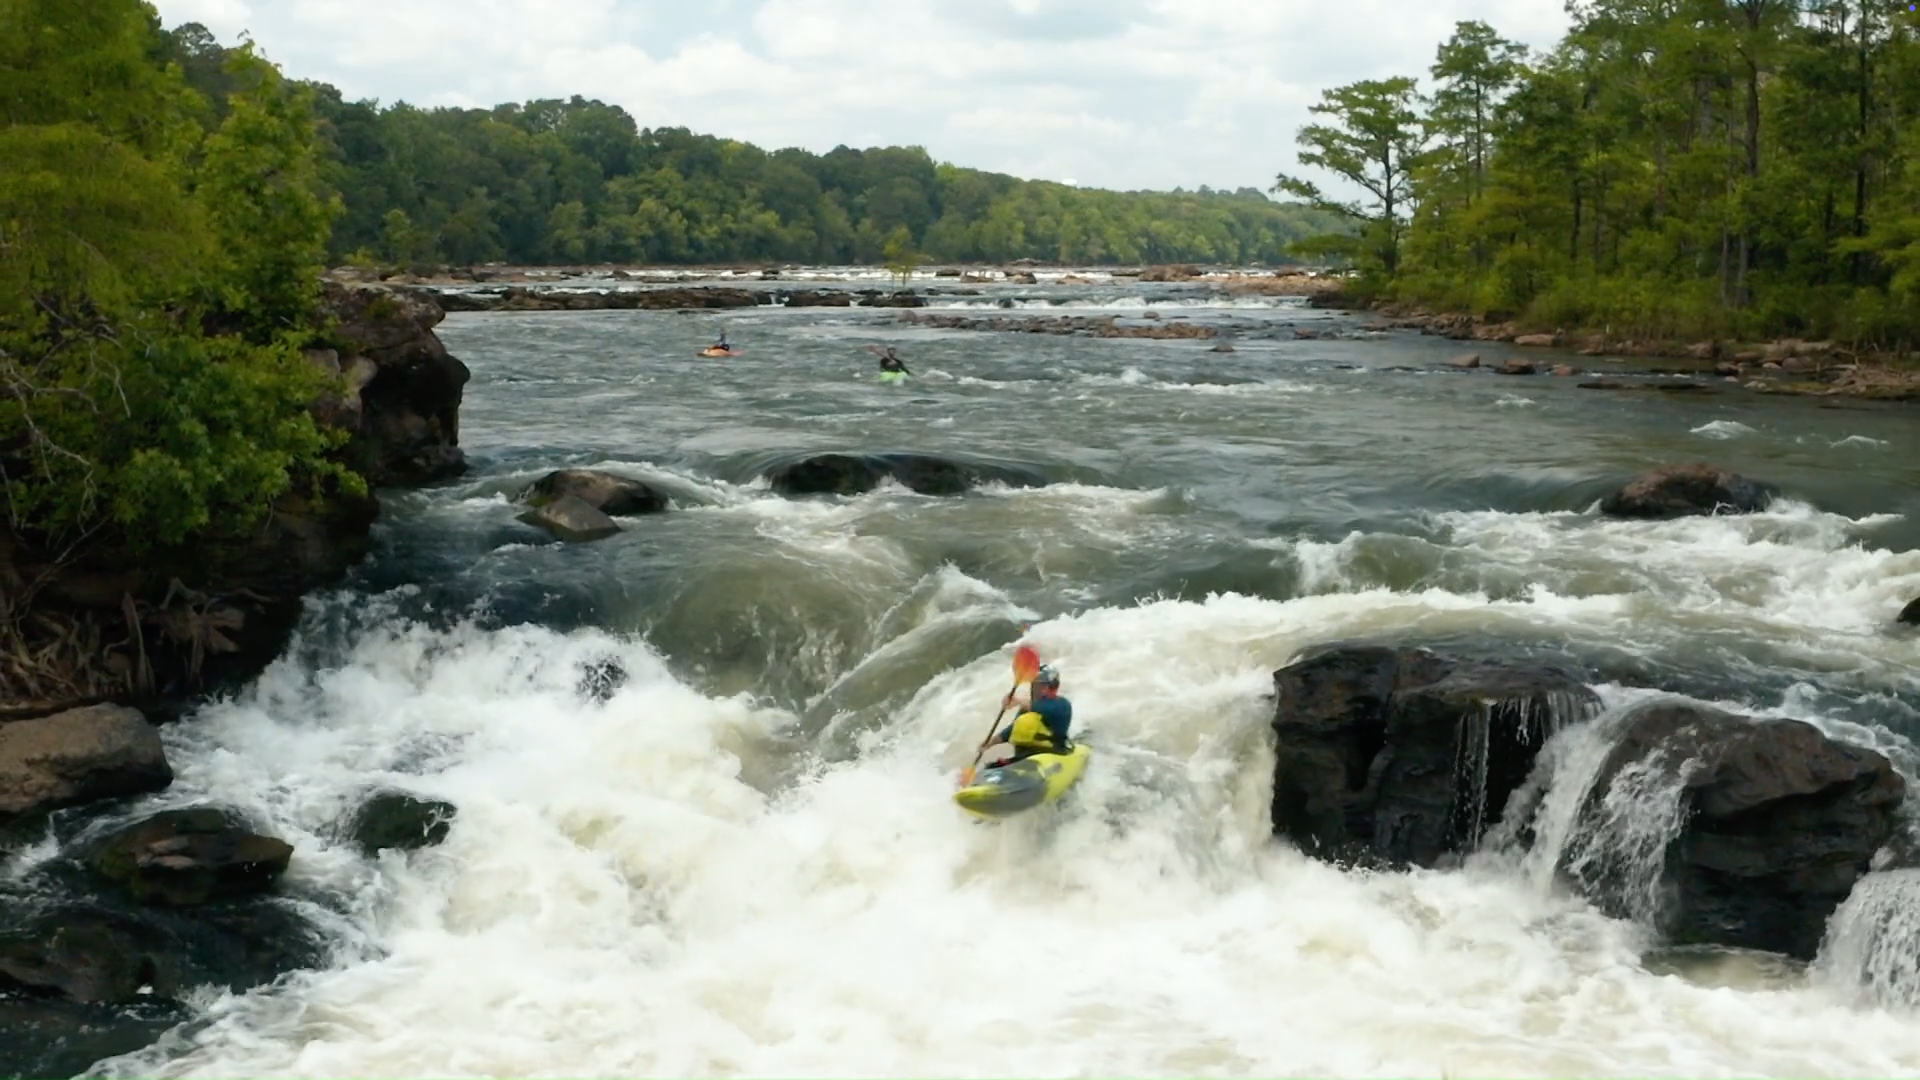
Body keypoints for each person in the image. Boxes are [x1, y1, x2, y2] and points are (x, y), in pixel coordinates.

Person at [989, 664, 1071, 766]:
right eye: (1036, 686)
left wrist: (1016, 701)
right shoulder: (1027, 708)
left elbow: (1046, 708)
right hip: (1024, 757)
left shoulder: (1062, 705)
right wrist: (989, 743)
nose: (1039, 690)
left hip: (1051, 755)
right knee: (991, 767)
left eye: (1042, 686)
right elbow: (1011, 731)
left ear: (1053, 687)